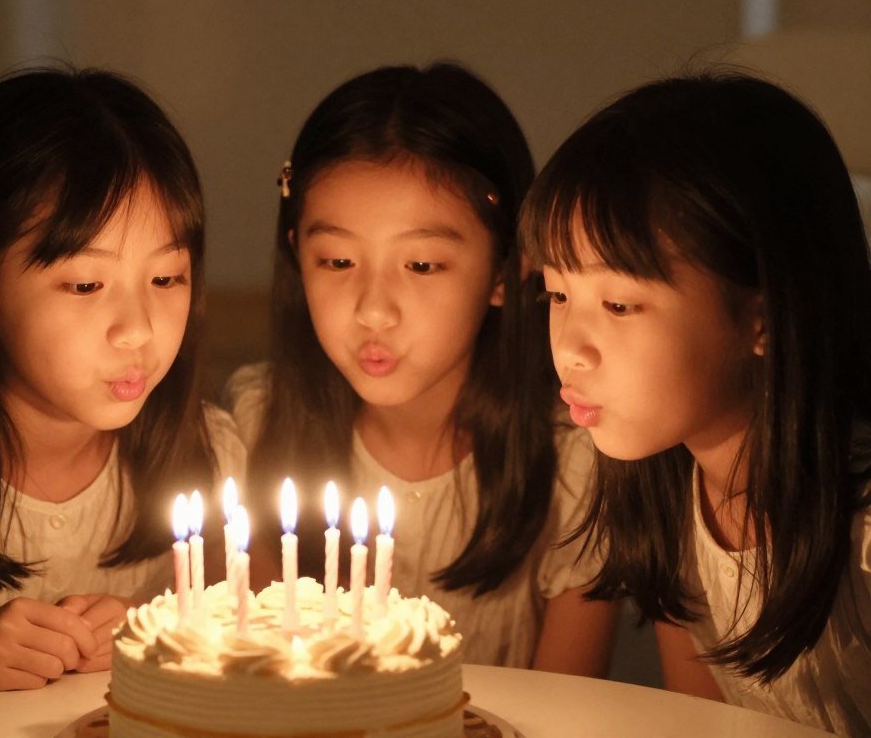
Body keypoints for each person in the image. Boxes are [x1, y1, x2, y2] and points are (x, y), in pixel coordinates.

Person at [224, 63, 617, 670]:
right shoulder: (256, 431)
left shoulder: (574, 469)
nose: (374, 311)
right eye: (336, 261)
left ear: (504, 274)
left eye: (422, 266)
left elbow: (569, 705)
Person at [519, 71, 871, 734]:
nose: (570, 349)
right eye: (558, 296)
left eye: (619, 304)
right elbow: (704, 723)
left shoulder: (860, 538)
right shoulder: (671, 493)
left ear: (762, 319)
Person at [0, 67, 242, 691]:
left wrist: (167, 630)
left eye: (166, 278)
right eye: (87, 285)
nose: (137, 330)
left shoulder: (211, 457)